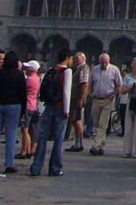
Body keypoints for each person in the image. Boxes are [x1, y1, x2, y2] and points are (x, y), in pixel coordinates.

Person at [29, 48, 73, 177]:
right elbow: (66, 92)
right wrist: (67, 110)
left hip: (49, 106)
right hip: (60, 107)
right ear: (67, 58)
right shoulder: (67, 71)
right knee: (58, 139)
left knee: (42, 137)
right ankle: (55, 168)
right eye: (71, 59)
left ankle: (36, 168)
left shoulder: (51, 70)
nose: (71, 61)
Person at [0, 50, 27, 173]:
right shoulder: (19, 75)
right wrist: (23, 109)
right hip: (13, 105)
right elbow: (23, 93)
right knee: (11, 135)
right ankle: (9, 164)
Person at [89, 53, 122, 156]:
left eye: (106, 62)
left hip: (108, 99)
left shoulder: (114, 70)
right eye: (102, 62)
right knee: (96, 123)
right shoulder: (94, 69)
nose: (104, 64)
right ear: (99, 61)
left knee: (103, 124)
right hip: (96, 99)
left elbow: (119, 85)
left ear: (109, 61)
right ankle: (101, 146)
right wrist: (90, 94)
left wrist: (114, 95)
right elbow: (90, 84)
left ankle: (95, 146)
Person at [66, 51, 90, 153]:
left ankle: (78, 143)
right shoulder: (77, 69)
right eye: (74, 58)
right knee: (75, 120)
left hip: (77, 98)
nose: (75, 60)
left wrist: (80, 98)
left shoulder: (83, 69)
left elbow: (84, 84)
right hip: (75, 98)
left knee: (76, 120)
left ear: (83, 59)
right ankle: (77, 142)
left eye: (77, 58)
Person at [17, 60, 40, 160]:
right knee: (29, 129)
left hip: (27, 105)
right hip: (33, 105)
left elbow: (21, 89)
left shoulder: (29, 79)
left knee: (24, 129)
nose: (25, 70)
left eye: (27, 68)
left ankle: (24, 151)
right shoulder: (37, 78)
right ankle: (29, 149)